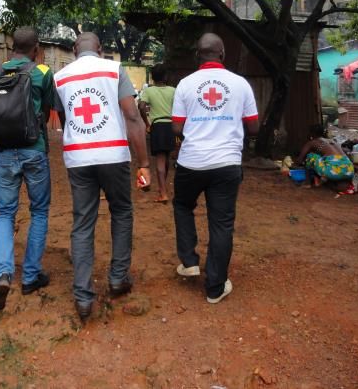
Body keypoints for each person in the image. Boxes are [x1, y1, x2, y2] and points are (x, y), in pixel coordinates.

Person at [54, 32, 151, 321]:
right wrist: (143, 162)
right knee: (121, 211)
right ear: (100, 49)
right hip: (113, 156)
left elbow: (65, 117)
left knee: (83, 222)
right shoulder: (113, 70)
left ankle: (83, 297)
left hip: (78, 158)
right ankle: (118, 278)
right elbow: (132, 116)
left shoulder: (60, 78)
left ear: (74, 50)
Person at [171, 33, 258, 304]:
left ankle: (189, 261)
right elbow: (253, 127)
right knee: (221, 224)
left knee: (183, 205)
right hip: (227, 164)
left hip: (191, 162)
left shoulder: (185, 84)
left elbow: (176, 127)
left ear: (198, 55)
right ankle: (215, 287)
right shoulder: (240, 84)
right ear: (222, 54)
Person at [0, 27, 55, 311]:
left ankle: (2, 274)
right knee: (38, 210)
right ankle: (30, 276)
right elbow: (49, 108)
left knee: (5, 213)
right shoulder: (41, 72)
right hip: (33, 150)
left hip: (4, 152)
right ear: (36, 48)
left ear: (12, 47)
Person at [139, 64, 176, 203]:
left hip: (158, 125)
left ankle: (163, 193)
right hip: (171, 126)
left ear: (153, 77)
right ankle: (163, 187)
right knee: (166, 158)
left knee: (160, 160)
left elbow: (141, 106)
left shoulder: (149, 91)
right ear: (166, 77)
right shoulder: (173, 90)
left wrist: (147, 123)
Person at [295, 124, 355, 193]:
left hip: (332, 171)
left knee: (310, 156)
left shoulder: (312, 142)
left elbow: (299, 160)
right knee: (328, 162)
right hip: (350, 171)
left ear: (312, 133)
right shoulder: (332, 141)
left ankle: (307, 184)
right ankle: (334, 182)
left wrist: (301, 163)